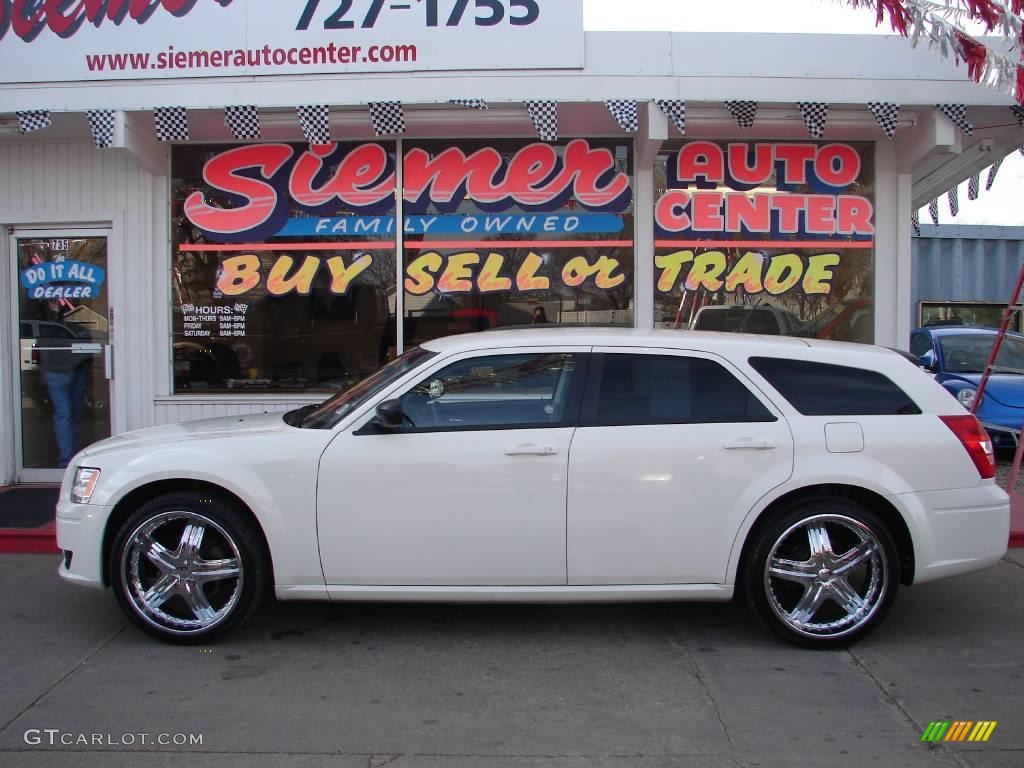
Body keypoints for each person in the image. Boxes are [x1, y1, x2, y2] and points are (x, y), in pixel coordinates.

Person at [36, 304, 90, 468]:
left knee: (76, 413)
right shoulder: (43, 322)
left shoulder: (70, 315)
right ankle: (66, 460)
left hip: (78, 366)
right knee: (64, 412)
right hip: (56, 370)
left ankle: (74, 456)